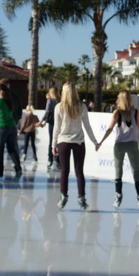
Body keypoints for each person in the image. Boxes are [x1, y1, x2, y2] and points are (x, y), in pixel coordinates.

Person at [96, 90, 139, 211]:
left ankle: (118, 197)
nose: (116, 100)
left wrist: (101, 141)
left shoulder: (117, 113)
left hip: (120, 145)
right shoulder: (136, 112)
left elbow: (110, 129)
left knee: (119, 172)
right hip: (132, 144)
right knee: (135, 172)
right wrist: (137, 141)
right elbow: (138, 128)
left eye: (117, 97)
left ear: (121, 99)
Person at [52, 81, 99, 211]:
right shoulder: (82, 106)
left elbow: (56, 128)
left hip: (63, 142)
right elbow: (87, 126)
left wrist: (53, 144)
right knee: (79, 172)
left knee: (64, 171)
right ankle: (81, 198)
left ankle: (63, 196)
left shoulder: (59, 107)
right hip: (79, 142)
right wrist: (95, 141)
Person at [40, 87, 60, 170]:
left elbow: (47, 111)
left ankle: (50, 159)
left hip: (52, 123)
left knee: (52, 140)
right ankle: (57, 160)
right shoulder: (60, 101)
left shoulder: (50, 101)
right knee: (58, 141)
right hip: (59, 123)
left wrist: (42, 121)